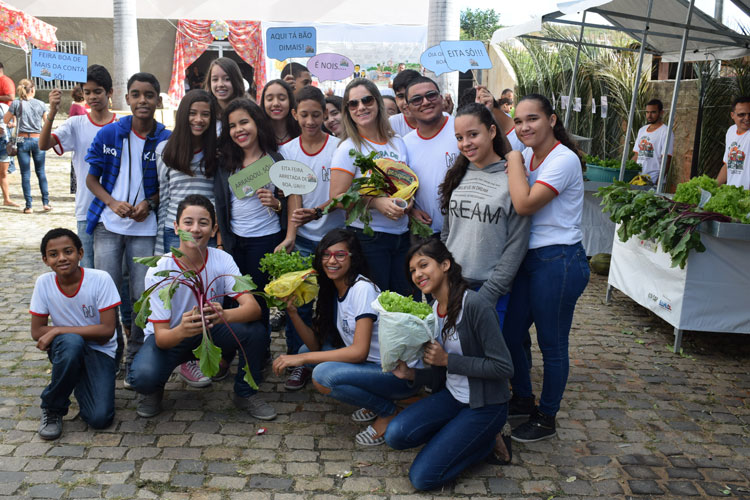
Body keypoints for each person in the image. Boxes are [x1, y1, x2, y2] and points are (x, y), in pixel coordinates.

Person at [128, 195, 275, 420]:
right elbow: (162, 338)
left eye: (203, 223)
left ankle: (245, 393)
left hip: (212, 327)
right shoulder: (160, 269)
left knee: (255, 332)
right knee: (143, 377)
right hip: (175, 333)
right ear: (176, 227)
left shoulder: (222, 260)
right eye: (188, 222)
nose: (195, 229)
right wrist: (183, 329)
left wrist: (224, 313)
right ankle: (154, 390)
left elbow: (253, 309)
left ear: (214, 228)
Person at [385, 238, 514, 491]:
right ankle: (460, 434)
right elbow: (439, 372)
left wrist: (448, 360)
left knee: (423, 478)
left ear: (445, 265)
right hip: (453, 397)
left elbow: (504, 367)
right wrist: (411, 373)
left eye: (424, 265)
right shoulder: (432, 309)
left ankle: (487, 440)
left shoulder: (475, 306)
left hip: (485, 404)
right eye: (412, 270)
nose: (418, 274)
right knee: (396, 434)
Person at [271, 229, 417, 445]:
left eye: (340, 255)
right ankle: (377, 401)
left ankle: (387, 411)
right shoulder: (333, 288)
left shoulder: (362, 289)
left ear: (353, 258)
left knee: (322, 375)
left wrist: (300, 360)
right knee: (305, 351)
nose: (332, 261)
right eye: (326, 255)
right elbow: (314, 346)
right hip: (371, 367)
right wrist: (292, 313)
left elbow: (359, 352)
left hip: (395, 375)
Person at [503, 93, 589, 442]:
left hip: (559, 260)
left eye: (532, 119)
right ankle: (523, 396)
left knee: (552, 344)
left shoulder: (563, 159)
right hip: (529, 258)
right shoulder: (526, 155)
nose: (524, 127)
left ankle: (547, 415)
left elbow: (523, 204)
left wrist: (511, 160)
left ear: (552, 120)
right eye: (519, 121)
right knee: (510, 333)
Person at [85, 72, 171, 378]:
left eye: (149, 95)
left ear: (158, 100)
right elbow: (91, 179)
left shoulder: (166, 138)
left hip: (145, 229)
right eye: (136, 94)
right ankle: (111, 350)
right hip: (108, 226)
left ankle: (135, 352)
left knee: (140, 295)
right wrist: (111, 202)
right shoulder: (110, 134)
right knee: (106, 291)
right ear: (127, 99)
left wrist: (150, 202)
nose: (142, 100)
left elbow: (170, 183)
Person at [438, 103, 530, 327]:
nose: (466, 143)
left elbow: (516, 244)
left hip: (488, 291)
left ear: (491, 131)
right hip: (452, 286)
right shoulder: (457, 175)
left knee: (481, 360)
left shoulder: (512, 177)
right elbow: (447, 233)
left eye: (473, 134)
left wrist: (490, 292)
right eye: (459, 137)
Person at [279, 85, 343, 388]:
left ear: (326, 114)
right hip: (304, 241)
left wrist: (318, 211)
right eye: (303, 115)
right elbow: (293, 195)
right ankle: (297, 360)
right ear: (295, 115)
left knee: (332, 302)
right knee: (299, 304)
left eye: (316, 115)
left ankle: (331, 354)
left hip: (336, 242)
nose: (310, 121)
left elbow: (344, 196)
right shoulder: (289, 151)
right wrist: (291, 234)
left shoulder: (340, 147)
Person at [30, 228, 121, 440]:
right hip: (67, 348)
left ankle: (77, 379)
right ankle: (53, 407)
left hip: (101, 351)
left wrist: (60, 328)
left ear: (80, 253)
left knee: (99, 418)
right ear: (45, 260)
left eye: (68, 251)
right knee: (72, 343)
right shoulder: (44, 284)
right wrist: (63, 334)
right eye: (53, 254)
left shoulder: (100, 279)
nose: (61, 258)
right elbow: (37, 331)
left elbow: (107, 331)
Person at [210, 98, 294, 328]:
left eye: (244, 122)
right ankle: (231, 351)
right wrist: (220, 243)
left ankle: (258, 353)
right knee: (231, 298)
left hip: (265, 240)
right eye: (233, 126)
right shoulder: (225, 162)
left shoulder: (275, 159)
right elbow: (220, 204)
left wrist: (276, 204)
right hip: (233, 241)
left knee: (258, 299)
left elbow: (292, 200)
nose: (239, 130)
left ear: (257, 123)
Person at [329, 78, 411, 296]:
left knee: (404, 306)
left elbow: (404, 184)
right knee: (375, 308)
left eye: (367, 100)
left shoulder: (398, 142)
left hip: (402, 237)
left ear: (378, 103)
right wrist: (375, 203)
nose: (361, 107)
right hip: (369, 240)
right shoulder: (348, 148)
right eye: (353, 104)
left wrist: (409, 203)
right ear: (347, 111)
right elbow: (337, 197)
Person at [39, 64, 118, 268]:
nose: (92, 97)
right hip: (86, 207)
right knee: (89, 267)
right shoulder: (76, 124)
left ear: (109, 93)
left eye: (98, 91)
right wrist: (52, 113)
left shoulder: (122, 126)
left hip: (117, 208)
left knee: (117, 271)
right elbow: (43, 144)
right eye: (87, 92)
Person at [402, 76, 459, 238]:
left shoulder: (461, 129)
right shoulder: (404, 144)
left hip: (464, 230)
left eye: (431, 95)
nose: (426, 102)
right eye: (417, 99)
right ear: (407, 108)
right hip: (426, 234)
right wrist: (410, 211)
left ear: (441, 99)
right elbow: (400, 188)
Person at [3, 79, 50, 213]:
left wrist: (14, 122)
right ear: (33, 90)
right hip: (38, 139)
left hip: (21, 139)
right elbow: (46, 123)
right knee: (41, 172)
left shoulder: (16, 103)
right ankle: (45, 203)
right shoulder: (41, 104)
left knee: (25, 174)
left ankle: (29, 206)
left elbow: (5, 120)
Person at [632, 99, 674, 184]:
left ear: (661, 113)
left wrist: (658, 182)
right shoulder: (642, 130)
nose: (649, 116)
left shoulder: (666, 131)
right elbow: (636, 155)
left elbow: (666, 159)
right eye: (647, 112)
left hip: (653, 179)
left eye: (653, 112)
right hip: (638, 179)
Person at [717, 96, 750, 189]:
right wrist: (714, 186)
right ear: (732, 115)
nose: (747, 118)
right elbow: (728, 164)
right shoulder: (731, 131)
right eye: (741, 114)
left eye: (749, 114)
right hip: (732, 194)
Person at [261, 79, 301, 145]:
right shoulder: (258, 136)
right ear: (263, 103)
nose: (276, 103)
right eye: (270, 99)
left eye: (282, 98)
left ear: (290, 102)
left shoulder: (301, 132)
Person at [389, 69, 421, 137]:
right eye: (401, 96)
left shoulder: (435, 120)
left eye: (412, 96)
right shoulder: (392, 123)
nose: (406, 102)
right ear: (396, 100)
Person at [0, 98, 16, 207]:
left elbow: (13, 115)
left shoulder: (4, 106)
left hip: (3, 141)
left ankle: (6, 199)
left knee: (3, 172)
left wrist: (13, 123)